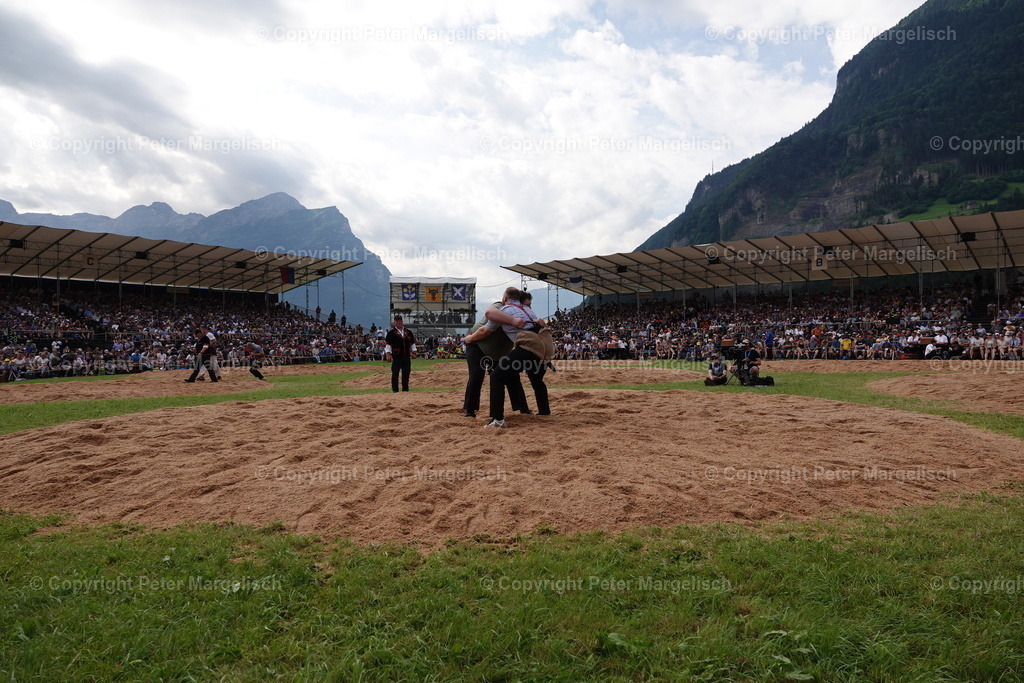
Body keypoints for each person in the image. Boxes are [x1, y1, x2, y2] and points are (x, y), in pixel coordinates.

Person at [484, 288, 550, 428]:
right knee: (536, 379)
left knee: (497, 376)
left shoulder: (504, 310)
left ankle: (497, 419)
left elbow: (488, 314)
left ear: (504, 298)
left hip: (529, 347)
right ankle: (544, 412)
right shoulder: (527, 310)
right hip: (545, 348)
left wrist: (470, 338)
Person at [462, 292, 530, 418]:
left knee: (512, 376)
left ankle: (523, 409)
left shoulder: (523, 313)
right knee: (476, 375)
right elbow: (489, 315)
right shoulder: (501, 307)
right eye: (526, 305)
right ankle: (470, 410)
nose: (527, 307)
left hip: (498, 351)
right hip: (477, 344)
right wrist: (513, 320)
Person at [384, 315, 416, 392]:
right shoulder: (391, 333)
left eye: (400, 321)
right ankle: (395, 390)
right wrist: (388, 354)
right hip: (396, 356)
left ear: (402, 321)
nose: (399, 322)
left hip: (406, 356)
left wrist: (414, 352)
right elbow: (388, 345)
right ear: (394, 322)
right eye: (397, 321)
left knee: (406, 373)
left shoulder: (408, 332)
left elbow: (412, 343)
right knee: (395, 373)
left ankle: (405, 389)